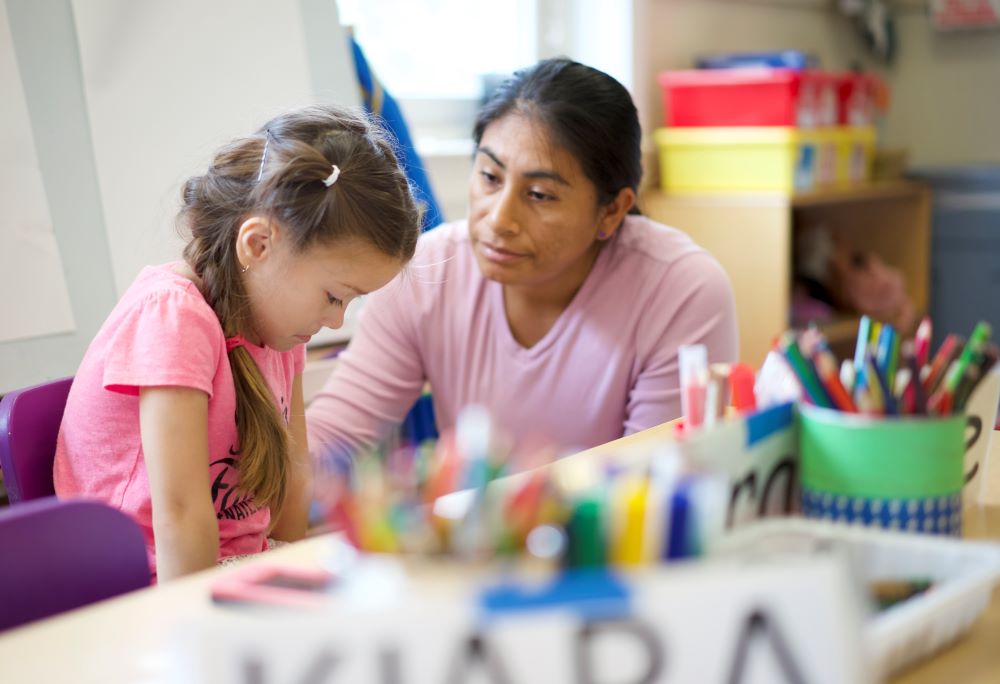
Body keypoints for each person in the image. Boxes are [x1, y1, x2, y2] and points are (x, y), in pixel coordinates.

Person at [307, 58, 738, 466]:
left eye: (539, 195)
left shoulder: (681, 290)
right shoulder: (425, 274)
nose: (499, 219)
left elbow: (650, 485)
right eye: (490, 177)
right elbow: (335, 439)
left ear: (611, 210)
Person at [54, 105, 422, 581]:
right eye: (334, 296)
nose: (335, 321)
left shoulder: (279, 326)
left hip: (229, 567)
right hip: (145, 583)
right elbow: (180, 519)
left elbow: (293, 473)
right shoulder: (174, 319)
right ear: (258, 244)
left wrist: (294, 574)